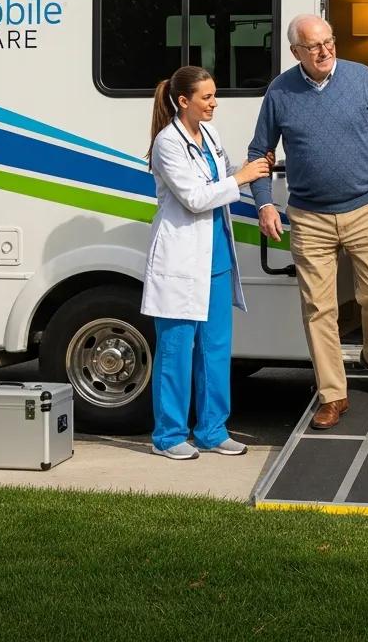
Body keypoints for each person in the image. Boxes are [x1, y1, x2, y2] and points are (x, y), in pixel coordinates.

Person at [248, 15, 368, 430]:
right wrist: (264, 204)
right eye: (314, 46)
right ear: (296, 51)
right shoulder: (280, 91)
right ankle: (333, 394)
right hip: (309, 215)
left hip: (364, 208)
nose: (325, 51)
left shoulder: (362, 79)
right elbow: (259, 152)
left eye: (329, 42)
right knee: (319, 307)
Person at [143, 65, 272, 460]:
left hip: (215, 258)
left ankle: (213, 430)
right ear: (184, 101)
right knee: (176, 350)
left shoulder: (211, 134)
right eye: (207, 97)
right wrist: (242, 178)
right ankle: (168, 436)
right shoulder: (167, 143)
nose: (215, 103)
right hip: (181, 260)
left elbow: (218, 181)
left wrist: (245, 174)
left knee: (215, 349)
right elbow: (195, 198)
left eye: (215, 95)